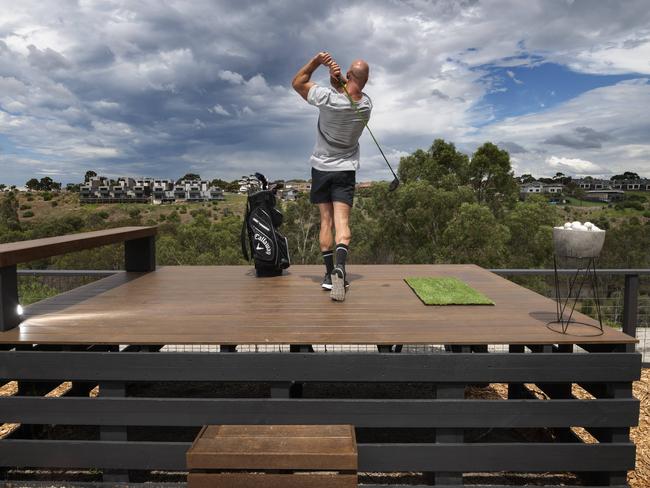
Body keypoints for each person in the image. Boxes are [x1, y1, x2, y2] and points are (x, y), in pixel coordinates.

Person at [292, 52, 372, 301]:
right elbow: (347, 94)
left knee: (325, 222)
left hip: (322, 169)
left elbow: (298, 82)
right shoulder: (366, 106)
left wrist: (318, 62)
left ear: (349, 75)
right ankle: (341, 268)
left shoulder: (327, 98)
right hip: (345, 170)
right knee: (343, 226)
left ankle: (329, 276)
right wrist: (337, 79)